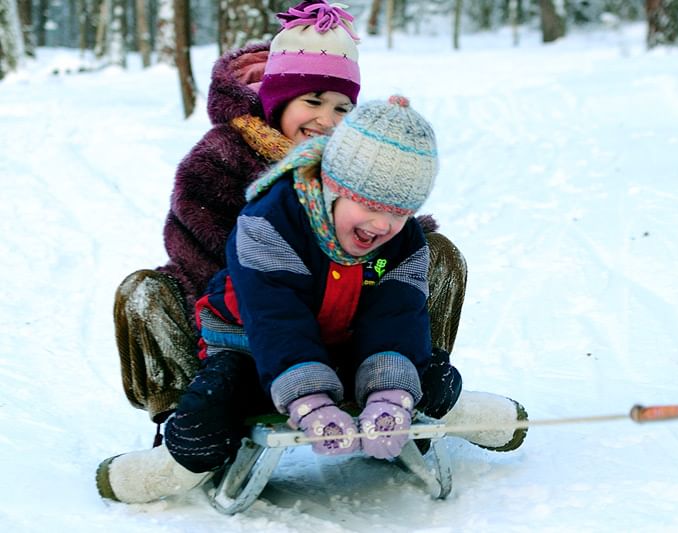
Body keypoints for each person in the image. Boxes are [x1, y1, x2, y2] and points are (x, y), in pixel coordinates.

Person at [97, 97, 528, 505]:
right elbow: (275, 319)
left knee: (426, 370)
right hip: (250, 343)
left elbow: (396, 313)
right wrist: (310, 400)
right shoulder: (269, 222)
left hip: (343, 341)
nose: (383, 225)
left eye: (399, 213)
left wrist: (391, 393)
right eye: (369, 206)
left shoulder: (403, 240)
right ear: (331, 186)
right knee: (213, 403)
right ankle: (175, 466)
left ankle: (456, 409)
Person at [112, 0, 467, 437]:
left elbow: (391, 244)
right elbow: (199, 252)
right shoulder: (221, 158)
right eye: (312, 101)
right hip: (243, 323)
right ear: (277, 101)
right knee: (145, 292)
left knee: (434, 255)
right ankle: (185, 416)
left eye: (341, 108)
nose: (325, 119)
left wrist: (385, 246)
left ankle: (407, 383)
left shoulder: (361, 163)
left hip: (351, 320)